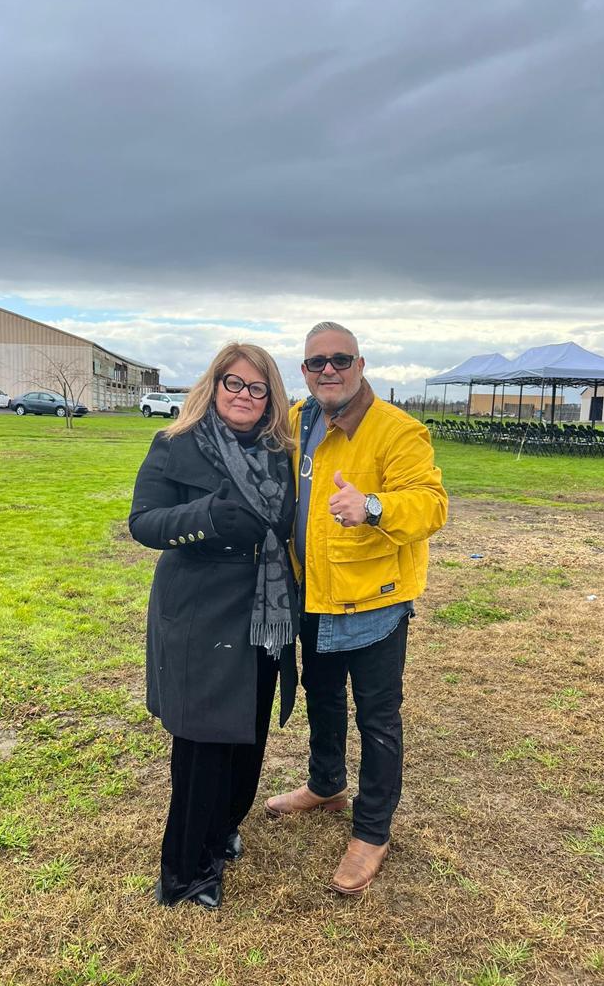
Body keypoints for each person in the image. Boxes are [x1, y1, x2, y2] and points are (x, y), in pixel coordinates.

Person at [266, 321, 448, 894]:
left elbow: (431, 505)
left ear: (360, 365)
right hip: (314, 592)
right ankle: (326, 784)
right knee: (321, 697)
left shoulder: (397, 430)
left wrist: (372, 506)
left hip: (374, 602)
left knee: (377, 718)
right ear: (303, 371)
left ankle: (371, 832)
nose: (329, 370)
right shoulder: (297, 419)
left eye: (340, 360)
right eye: (316, 362)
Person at [129, 344, 298, 909]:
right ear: (214, 384)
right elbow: (144, 522)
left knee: (248, 733)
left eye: (257, 388)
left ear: (270, 398)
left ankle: (223, 829)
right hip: (200, 609)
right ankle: (185, 872)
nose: (244, 395)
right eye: (234, 383)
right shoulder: (176, 443)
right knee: (203, 743)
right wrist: (204, 517)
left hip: (265, 612)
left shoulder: (280, 453)